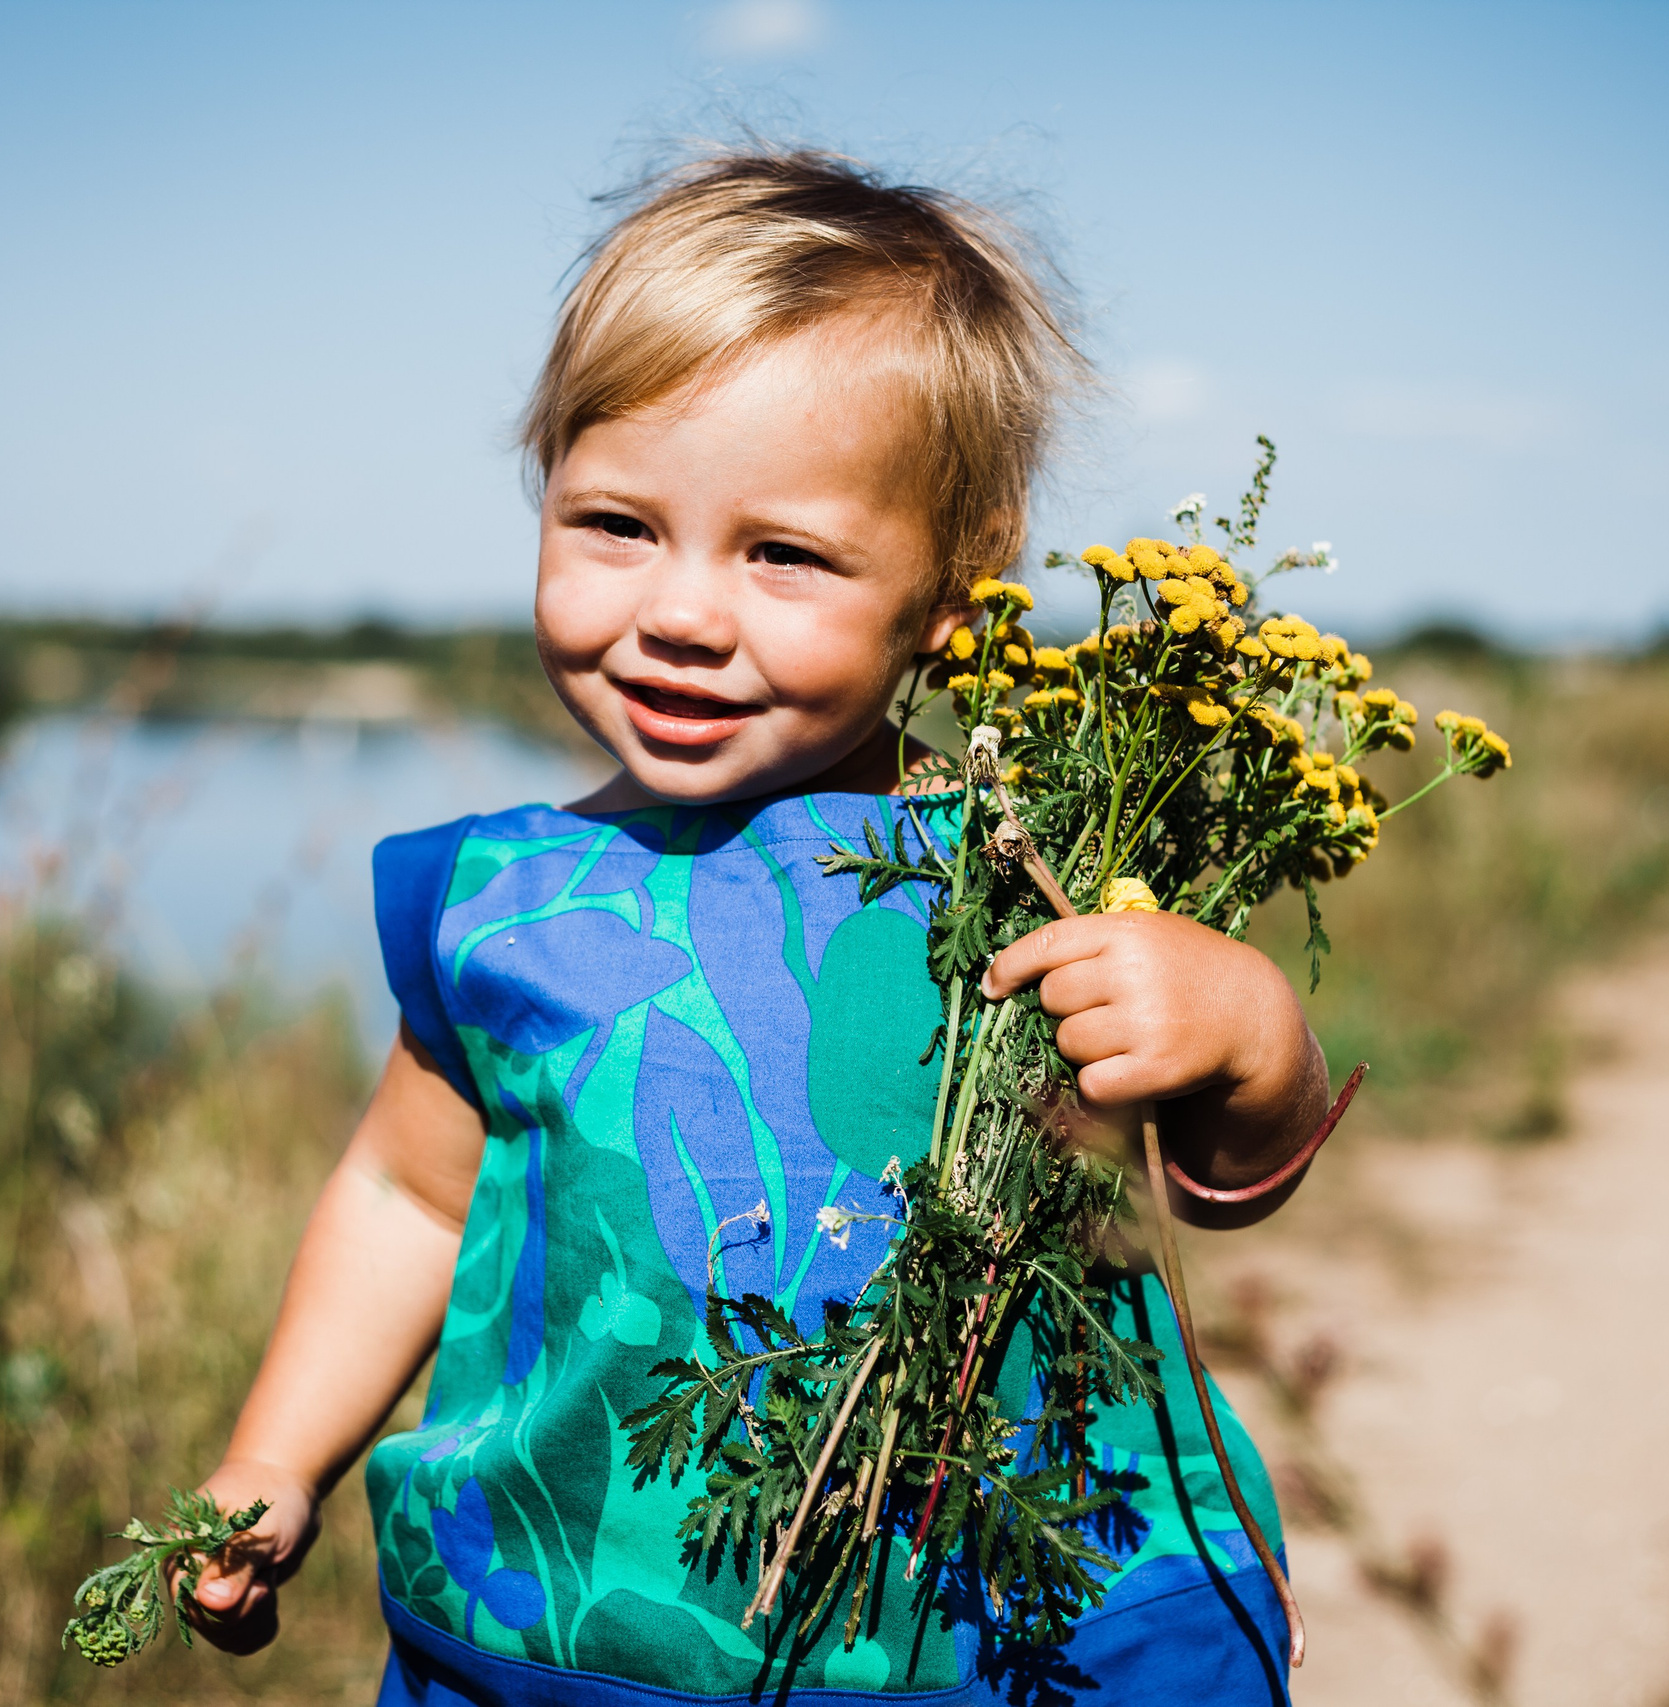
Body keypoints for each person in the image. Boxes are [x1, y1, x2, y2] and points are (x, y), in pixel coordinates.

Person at [178, 149, 1328, 1706]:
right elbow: (406, 1197)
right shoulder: (500, 899)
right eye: (615, 524)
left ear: (953, 587)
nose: (680, 614)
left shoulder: (1041, 867)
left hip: (1008, 1639)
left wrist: (1247, 1031)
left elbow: (1207, 1189)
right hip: (572, 1631)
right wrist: (275, 1456)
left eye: (781, 554)